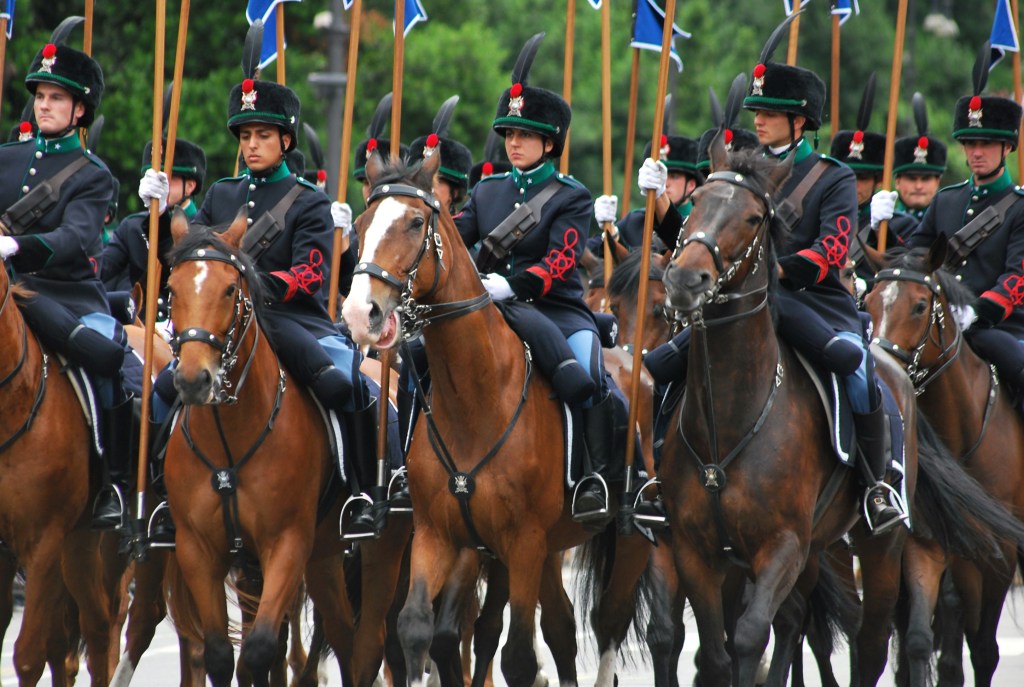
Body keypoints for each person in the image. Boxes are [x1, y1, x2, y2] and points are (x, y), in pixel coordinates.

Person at [142, 76, 385, 539]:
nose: (252, 145)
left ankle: (360, 494)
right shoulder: (220, 195)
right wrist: (155, 214)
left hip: (292, 321)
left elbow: (310, 275)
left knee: (346, 384)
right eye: (245, 136)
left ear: (285, 140)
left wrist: (248, 286)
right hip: (223, 321)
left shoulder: (309, 202)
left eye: (263, 136)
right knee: (161, 391)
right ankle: (158, 495)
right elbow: (184, 259)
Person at [453, 38, 618, 522]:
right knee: (421, 359)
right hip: (485, 308)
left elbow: (564, 259)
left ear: (549, 142)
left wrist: (514, 285)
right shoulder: (486, 191)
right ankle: (404, 474)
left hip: (556, 310)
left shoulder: (570, 195)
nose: (514, 142)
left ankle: (593, 478)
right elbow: (454, 241)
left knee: (587, 372)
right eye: (508, 132)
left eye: (525, 134)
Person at [0, 41, 131, 529]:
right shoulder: (7, 158)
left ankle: (112, 482)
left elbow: (77, 238)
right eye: (40, 95)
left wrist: (15, 248)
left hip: (68, 297)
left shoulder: (94, 176)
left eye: (57, 97)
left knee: (106, 362)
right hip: (2, 293)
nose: (45, 105)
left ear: (80, 110)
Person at [906, 78, 1024, 392]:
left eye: (985, 143)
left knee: (1018, 364)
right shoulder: (945, 200)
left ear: (1007, 147)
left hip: (999, 327)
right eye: (970, 143)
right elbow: (916, 256)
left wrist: (975, 312)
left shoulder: (1020, 208)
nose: (975, 152)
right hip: (938, 322)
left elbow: (1017, 279)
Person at [591, 134, 701, 255]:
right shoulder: (634, 221)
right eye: (658, 175)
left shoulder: (701, 222)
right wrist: (611, 233)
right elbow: (588, 252)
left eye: (674, 177)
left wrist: (660, 194)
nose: (664, 183)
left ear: (691, 184)